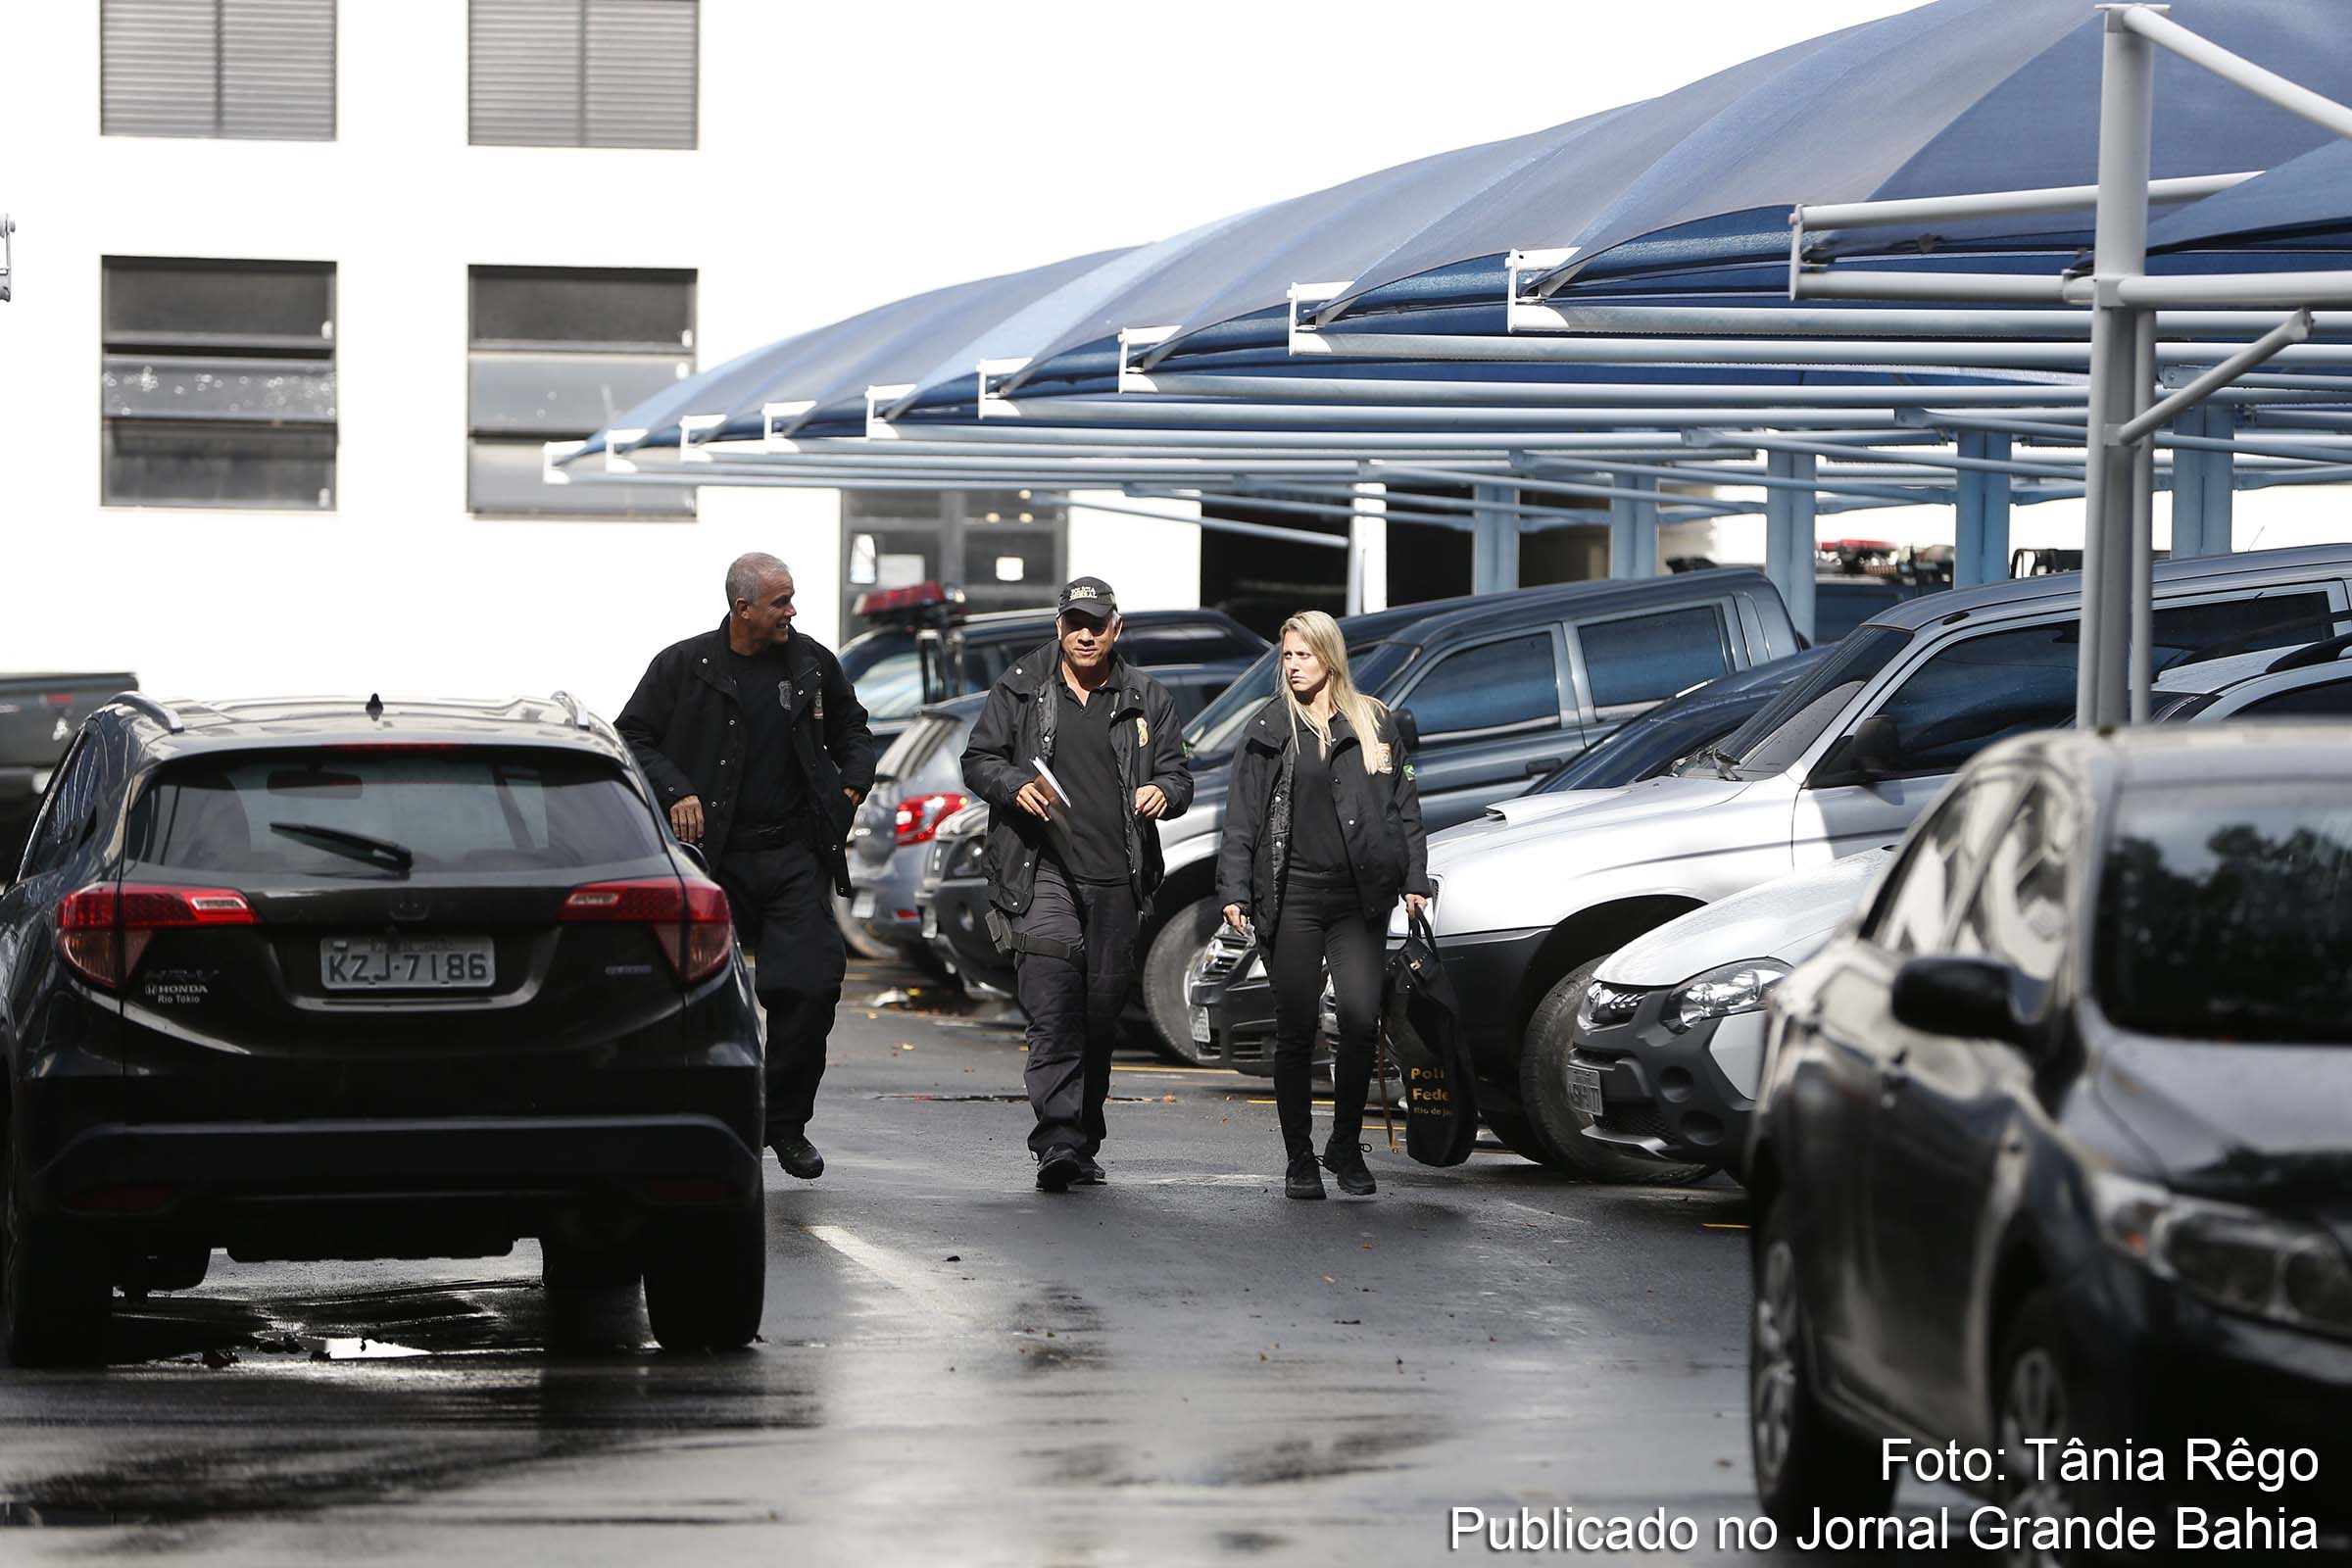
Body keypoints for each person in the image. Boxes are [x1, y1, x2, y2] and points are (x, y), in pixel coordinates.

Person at [617, 552, 875, 1181]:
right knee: (695, 996)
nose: (792, 611)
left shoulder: (812, 662)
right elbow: (632, 736)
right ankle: (699, 1125)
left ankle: (783, 1125)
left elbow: (854, 731)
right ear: (744, 608)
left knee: (810, 985)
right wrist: (676, 791)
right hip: (711, 863)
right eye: (781, 602)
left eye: (791, 599)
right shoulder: (683, 666)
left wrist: (850, 787)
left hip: (793, 855)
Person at [960, 576, 1192, 1192]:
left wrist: (1163, 792)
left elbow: (1179, 777)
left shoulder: (1147, 697)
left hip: (1117, 876)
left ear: (1117, 628)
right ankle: (1057, 1140)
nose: (1085, 635)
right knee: (1053, 1004)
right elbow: (978, 761)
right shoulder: (1021, 685)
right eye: (1074, 624)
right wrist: (1014, 785)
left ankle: (1083, 1137)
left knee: (1098, 1013)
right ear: (1058, 626)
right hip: (1041, 870)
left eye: (1096, 624)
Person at [1215, 611, 1429, 1200]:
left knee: (1360, 1021)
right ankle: (1299, 1159)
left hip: (1359, 897)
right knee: (1297, 1028)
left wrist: (1415, 877)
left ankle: (1345, 1146)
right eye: (1286, 656)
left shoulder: (1375, 721)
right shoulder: (1268, 727)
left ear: (1329, 657)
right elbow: (1242, 817)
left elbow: (1404, 807)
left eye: (1303, 655)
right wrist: (1234, 889)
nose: (1292, 666)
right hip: (1293, 897)